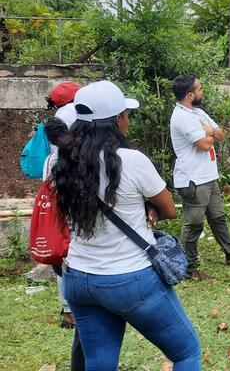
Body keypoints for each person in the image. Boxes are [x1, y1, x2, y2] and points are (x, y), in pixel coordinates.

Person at [52, 80, 201, 369]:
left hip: (79, 279)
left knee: (99, 363)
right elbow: (169, 209)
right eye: (126, 114)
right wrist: (148, 206)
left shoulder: (63, 160)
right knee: (186, 352)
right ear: (116, 120)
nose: (128, 120)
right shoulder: (131, 161)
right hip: (129, 278)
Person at [170, 75, 230, 280]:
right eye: (199, 89)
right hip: (193, 179)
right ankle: (189, 269)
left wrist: (211, 132)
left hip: (208, 176)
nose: (202, 92)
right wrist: (211, 133)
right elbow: (205, 144)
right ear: (190, 95)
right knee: (193, 225)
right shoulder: (181, 117)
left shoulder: (198, 112)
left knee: (218, 217)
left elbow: (220, 133)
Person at [43, 116, 85, 371]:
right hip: (77, 230)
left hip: (60, 228)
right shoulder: (78, 155)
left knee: (63, 272)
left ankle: (69, 312)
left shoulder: (50, 161)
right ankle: (75, 314)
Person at [44, 81, 82, 330]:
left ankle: (69, 309)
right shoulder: (74, 113)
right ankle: (71, 310)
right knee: (72, 251)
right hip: (71, 194)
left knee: (64, 252)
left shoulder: (57, 119)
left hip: (58, 193)